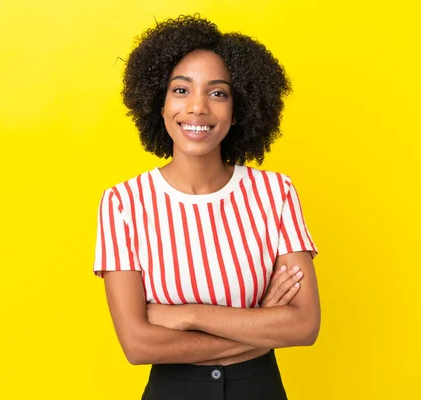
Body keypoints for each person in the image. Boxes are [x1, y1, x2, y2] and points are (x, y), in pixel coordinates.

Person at [92, 14, 320, 400]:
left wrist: (188, 315)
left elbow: (303, 326)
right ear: (158, 104)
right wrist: (259, 329)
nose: (198, 108)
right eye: (181, 90)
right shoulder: (123, 204)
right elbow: (137, 345)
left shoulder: (274, 193)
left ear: (239, 108)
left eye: (218, 93)